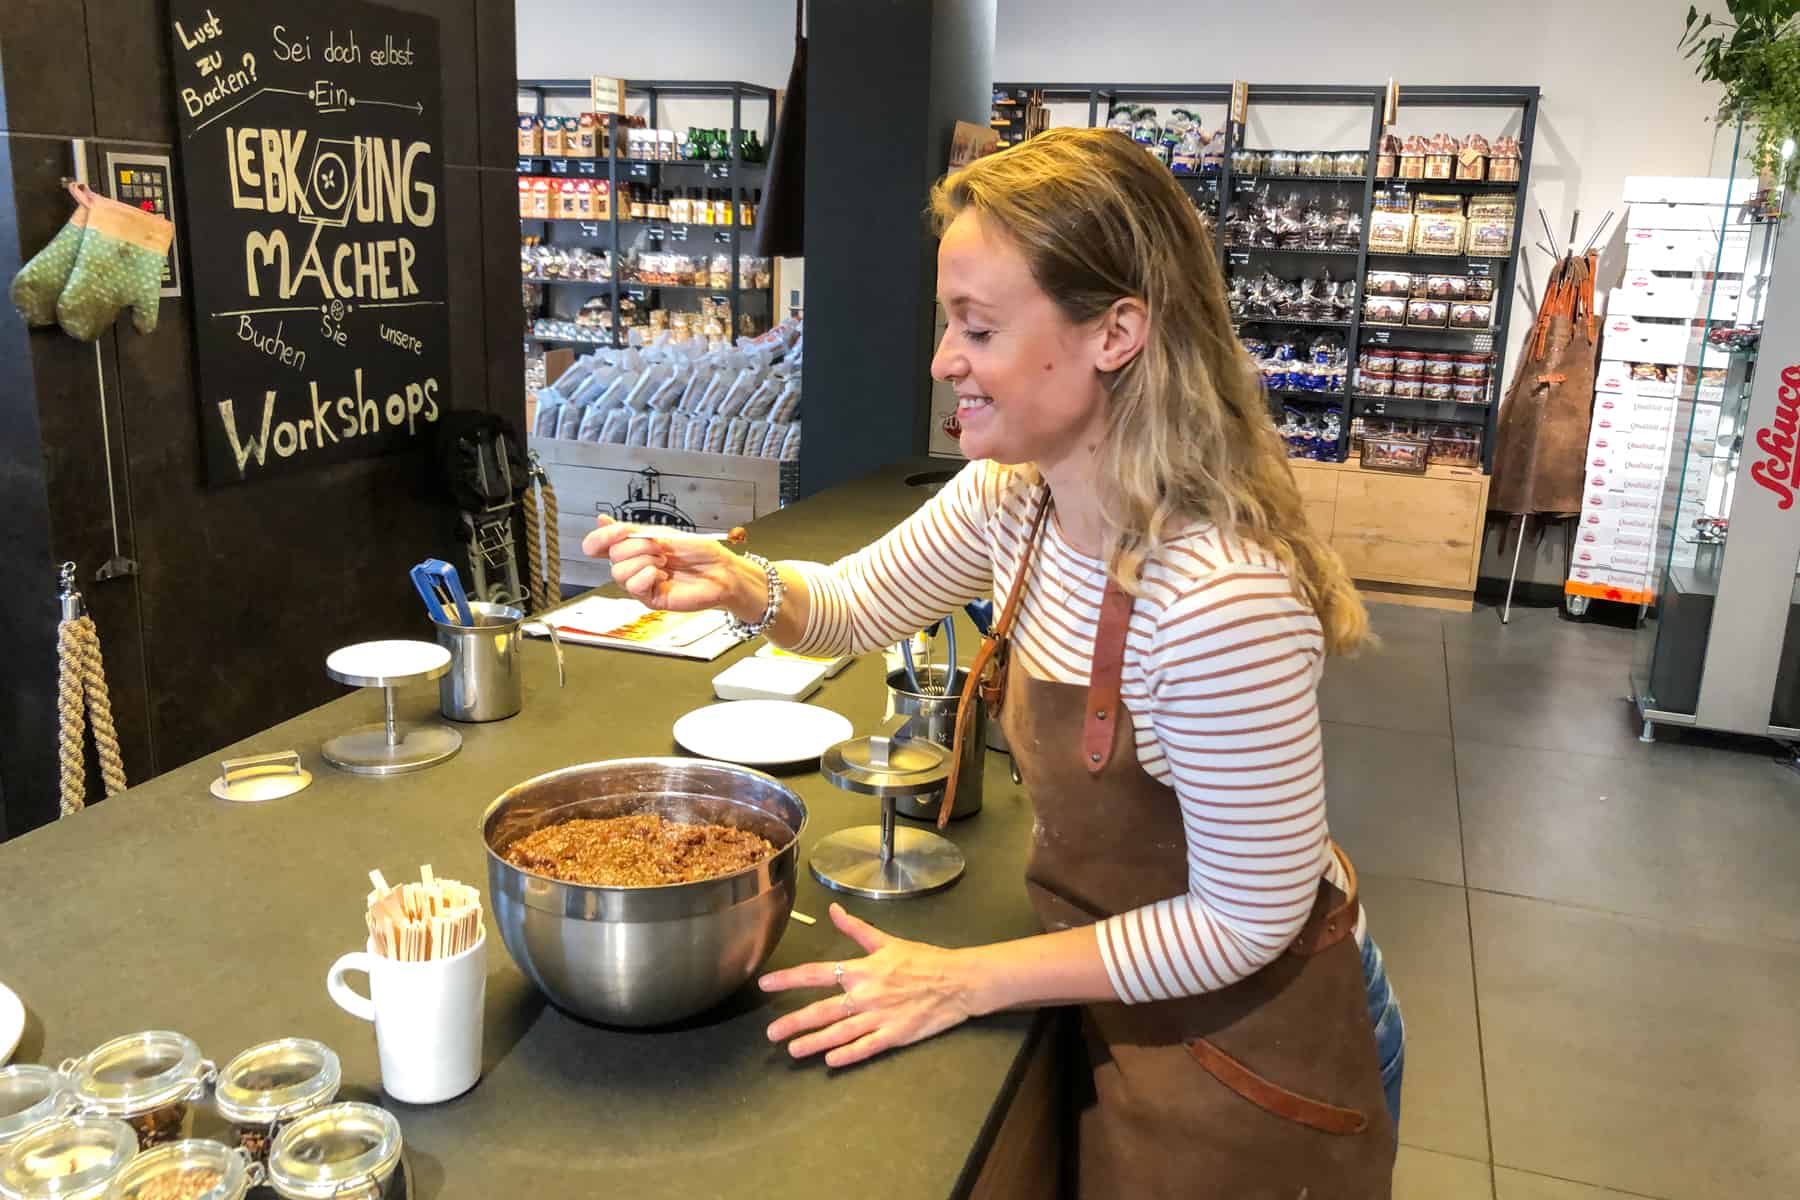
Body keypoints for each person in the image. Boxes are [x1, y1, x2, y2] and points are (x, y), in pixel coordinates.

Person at [583, 126, 1405, 1196]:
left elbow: (1245, 920)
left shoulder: (1219, 597)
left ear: (1116, 332)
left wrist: (967, 981)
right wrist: (742, 585)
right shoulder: (1015, 496)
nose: (942, 362)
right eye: (947, 324)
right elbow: (859, 603)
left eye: (977, 327)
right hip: (1124, 996)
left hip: (1260, 1051)